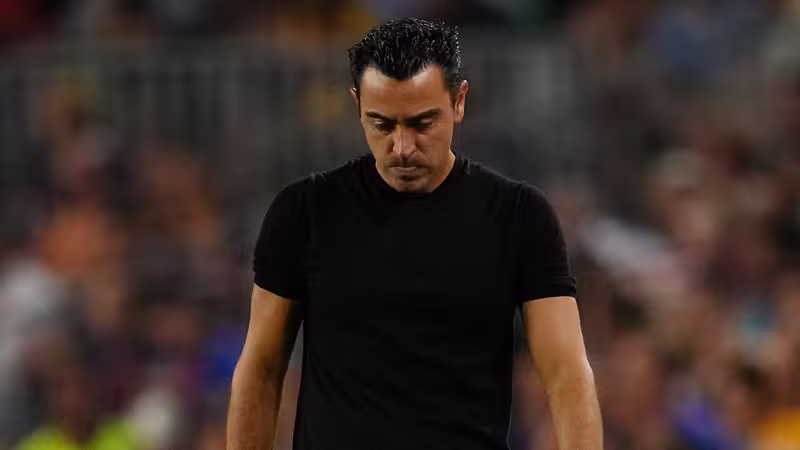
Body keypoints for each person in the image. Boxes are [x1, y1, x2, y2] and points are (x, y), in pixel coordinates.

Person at [227, 17, 602, 450]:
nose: (402, 147)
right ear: (356, 106)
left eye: (422, 123)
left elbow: (566, 375)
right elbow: (261, 368)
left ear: (459, 102)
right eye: (382, 124)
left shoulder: (519, 216)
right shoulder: (304, 212)